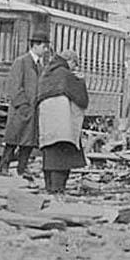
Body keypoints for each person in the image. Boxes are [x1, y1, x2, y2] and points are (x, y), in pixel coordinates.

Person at [0, 26, 50, 178]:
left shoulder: (41, 66)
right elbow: (14, 86)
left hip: (33, 109)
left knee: (29, 141)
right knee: (13, 139)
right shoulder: (21, 62)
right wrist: (23, 105)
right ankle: (4, 166)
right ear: (35, 45)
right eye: (43, 46)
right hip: (20, 109)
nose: (45, 50)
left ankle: (22, 167)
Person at [36, 49, 88, 194]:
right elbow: (81, 100)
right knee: (63, 157)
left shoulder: (47, 73)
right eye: (75, 65)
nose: (75, 68)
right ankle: (59, 189)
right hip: (63, 123)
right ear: (69, 61)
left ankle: (49, 188)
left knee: (49, 155)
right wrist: (81, 81)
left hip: (47, 123)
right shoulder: (66, 74)